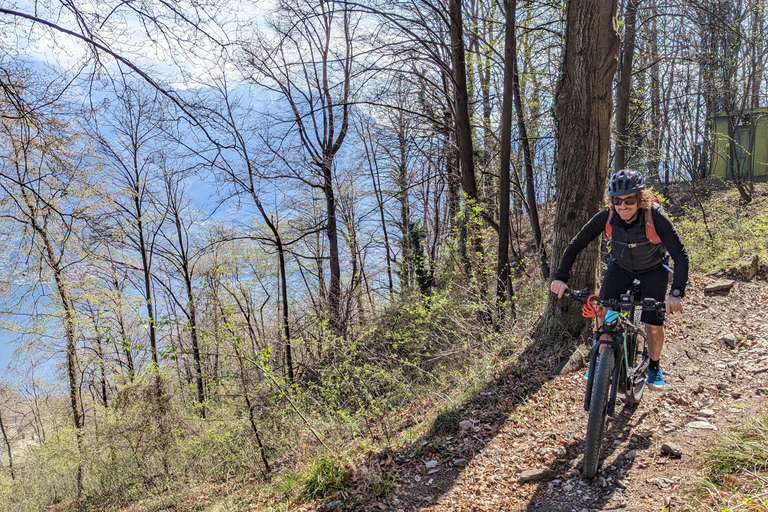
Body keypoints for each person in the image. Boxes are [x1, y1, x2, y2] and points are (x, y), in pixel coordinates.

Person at [549, 169, 688, 390]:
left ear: (640, 198)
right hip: (620, 267)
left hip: (653, 270)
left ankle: (654, 366)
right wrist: (560, 278)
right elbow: (577, 243)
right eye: (617, 200)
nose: (623, 206)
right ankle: (600, 362)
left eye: (629, 200)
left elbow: (680, 254)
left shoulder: (655, 216)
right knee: (604, 311)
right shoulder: (608, 216)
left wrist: (676, 293)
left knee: (652, 323)